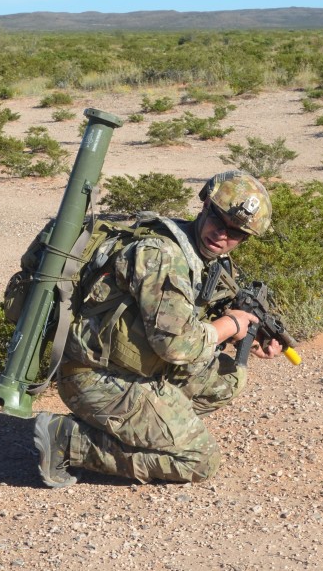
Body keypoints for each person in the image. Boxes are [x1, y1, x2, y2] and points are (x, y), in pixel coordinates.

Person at [34, 170, 281, 487]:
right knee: (199, 461)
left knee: (226, 379)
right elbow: (177, 346)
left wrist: (241, 334)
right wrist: (230, 324)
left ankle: (138, 426)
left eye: (235, 234)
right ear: (205, 206)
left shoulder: (202, 256)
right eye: (219, 222)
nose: (223, 236)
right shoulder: (164, 256)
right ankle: (68, 442)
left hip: (127, 367)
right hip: (94, 375)